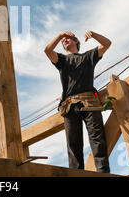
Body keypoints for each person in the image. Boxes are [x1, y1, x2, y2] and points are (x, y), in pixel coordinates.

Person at [44, 30, 112, 172]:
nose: (65, 40)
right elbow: (47, 50)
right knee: (73, 145)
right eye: (63, 40)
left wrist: (93, 34)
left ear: (76, 42)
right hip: (69, 106)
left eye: (68, 38)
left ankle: (103, 173)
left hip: (90, 103)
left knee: (97, 139)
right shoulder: (61, 60)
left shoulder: (88, 57)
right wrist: (59, 35)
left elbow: (107, 44)